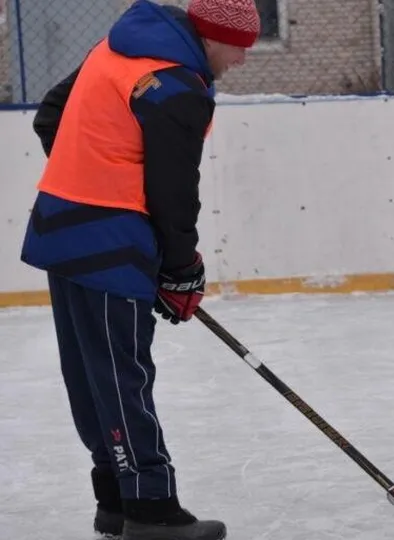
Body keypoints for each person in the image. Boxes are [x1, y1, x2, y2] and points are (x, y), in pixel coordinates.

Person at [20, 0, 260, 538]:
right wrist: (181, 269)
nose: (241, 61)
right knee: (124, 376)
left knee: (91, 374)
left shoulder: (115, 50)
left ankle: (116, 499)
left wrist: (91, 179)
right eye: (238, 48)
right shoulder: (177, 86)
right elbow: (174, 194)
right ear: (211, 37)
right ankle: (151, 509)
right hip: (111, 242)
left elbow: (50, 117)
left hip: (62, 230)